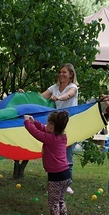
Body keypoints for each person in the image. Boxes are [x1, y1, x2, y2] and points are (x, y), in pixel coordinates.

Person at [23, 111, 71, 215]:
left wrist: (28, 122)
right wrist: (35, 122)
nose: (46, 125)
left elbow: (36, 133)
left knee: (53, 201)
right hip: (65, 174)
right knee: (60, 199)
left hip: (56, 175)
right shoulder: (61, 137)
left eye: (49, 124)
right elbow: (43, 129)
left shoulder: (50, 139)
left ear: (54, 126)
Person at [41, 63, 78, 194]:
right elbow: (41, 97)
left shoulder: (72, 87)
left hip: (69, 125)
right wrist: (25, 96)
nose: (61, 74)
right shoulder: (54, 87)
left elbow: (69, 95)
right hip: (56, 126)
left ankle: (67, 182)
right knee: (53, 155)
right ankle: (53, 182)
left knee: (67, 154)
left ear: (71, 74)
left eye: (64, 72)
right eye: (60, 72)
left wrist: (58, 98)